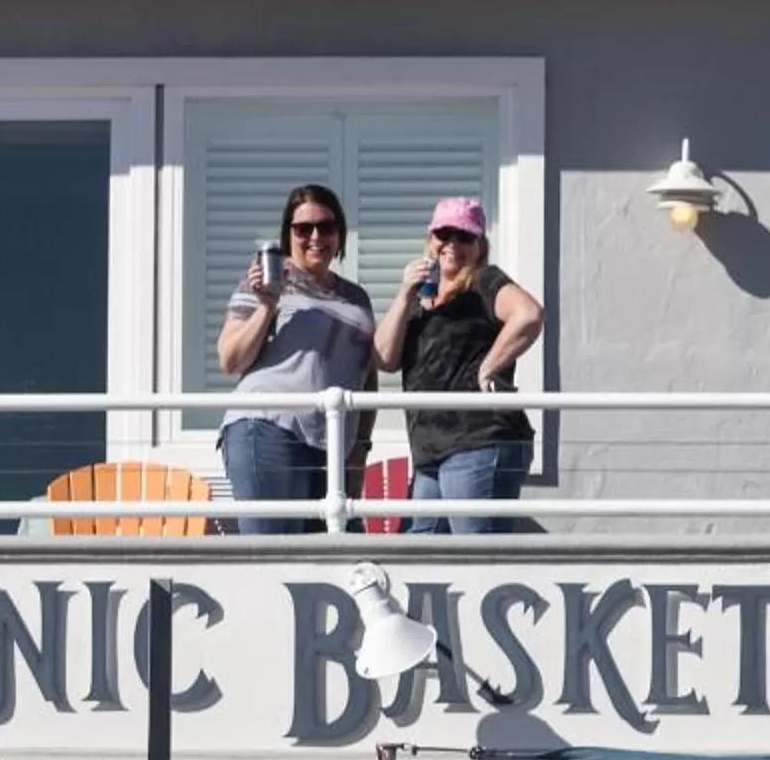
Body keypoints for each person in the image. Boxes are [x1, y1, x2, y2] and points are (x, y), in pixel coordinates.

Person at [373, 194, 544, 534]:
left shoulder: (484, 282)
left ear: (480, 245)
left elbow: (529, 314)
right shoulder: (421, 301)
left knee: (474, 561)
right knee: (420, 561)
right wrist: (405, 293)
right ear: (430, 240)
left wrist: (489, 366)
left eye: (465, 236)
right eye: (444, 234)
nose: (452, 244)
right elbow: (384, 359)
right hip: (431, 453)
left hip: (479, 440)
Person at [216, 182, 377, 535]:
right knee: (274, 554)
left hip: (331, 442)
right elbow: (230, 359)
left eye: (327, 227)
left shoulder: (357, 297)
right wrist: (267, 306)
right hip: (267, 427)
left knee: (333, 555)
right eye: (303, 229)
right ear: (288, 235)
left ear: (340, 235)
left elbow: (367, 373)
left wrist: (360, 446)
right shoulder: (266, 282)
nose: (315, 236)